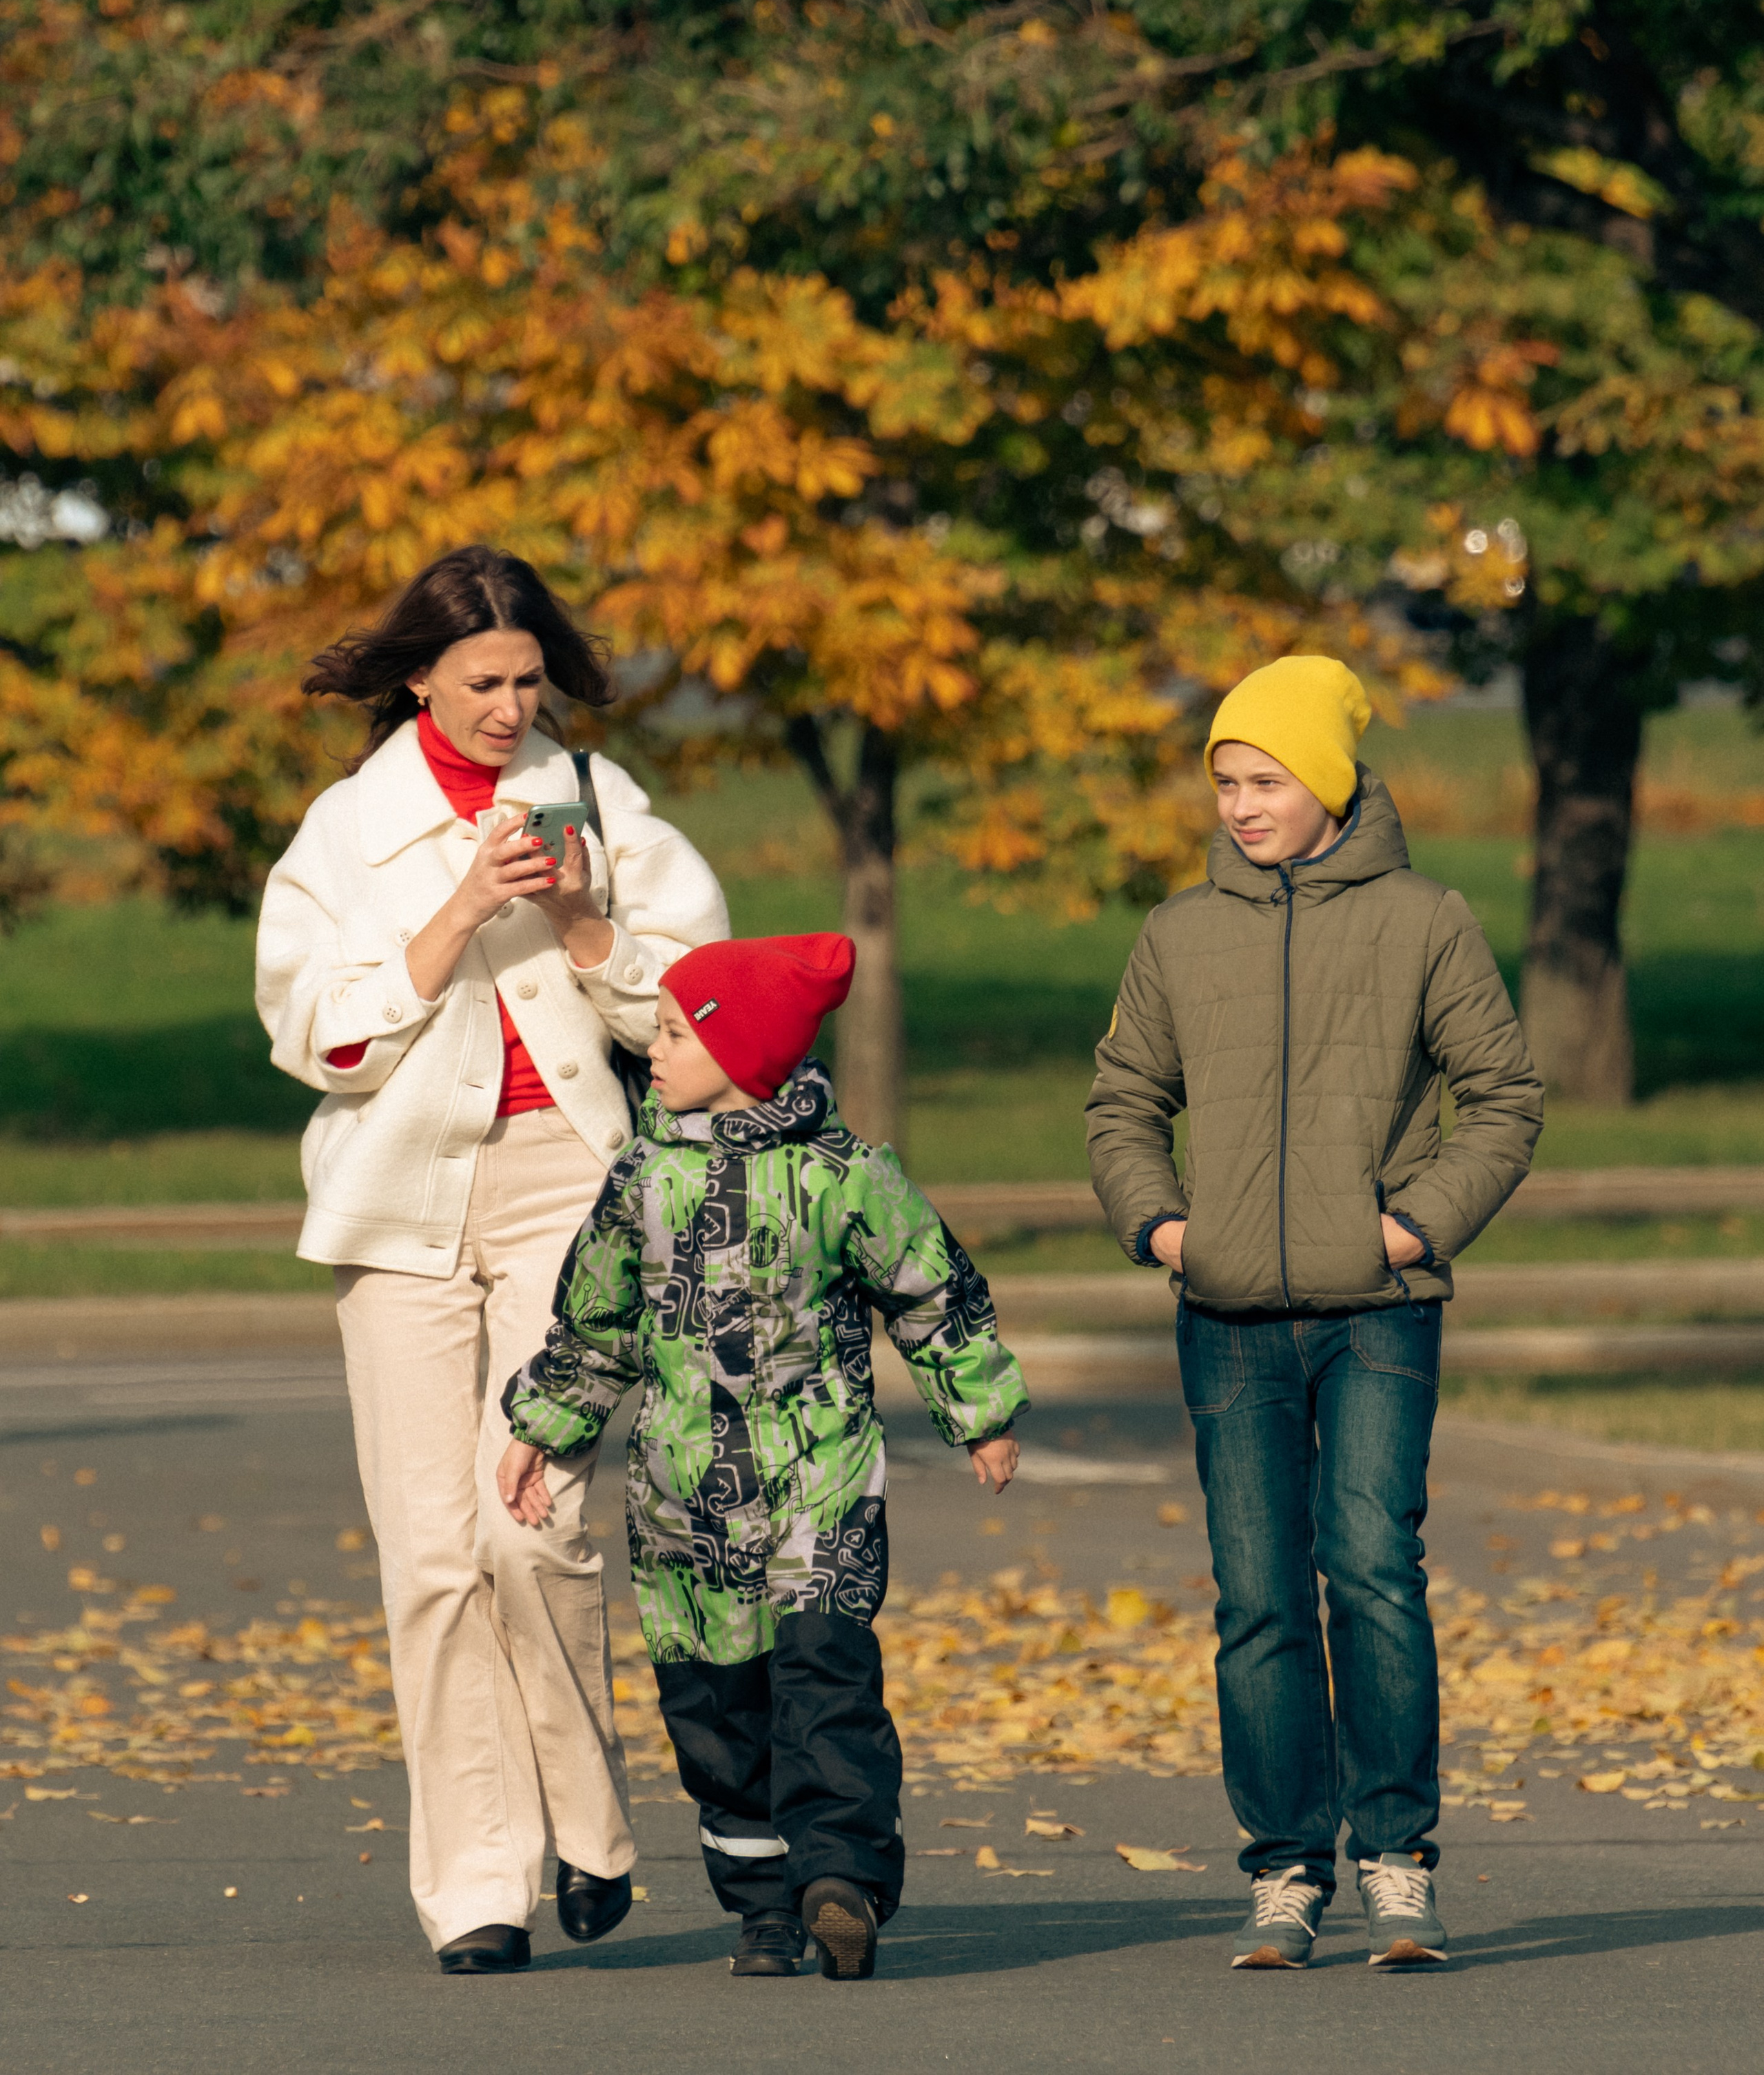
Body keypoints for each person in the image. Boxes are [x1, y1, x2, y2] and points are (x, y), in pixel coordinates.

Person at [255, 544, 729, 1974]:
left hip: (563, 1194)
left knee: (530, 1520)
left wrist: (585, 922)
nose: (511, 705)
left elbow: (693, 1014)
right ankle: (478, 1883)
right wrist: (458, 907)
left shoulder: (600, 802)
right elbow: (313, 1037)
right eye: (481, 682)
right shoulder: (350, 829)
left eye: (529, 678)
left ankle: (586, 1821)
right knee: (432, 1553)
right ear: (419, 677)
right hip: (396, 1208)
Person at [1086, 656, 1542, 1972]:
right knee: (1259, 1595)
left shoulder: (1425, 921)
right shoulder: (1179, 933)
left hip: (1382, 1308)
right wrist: (1170, 1229)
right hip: (1226, 1317)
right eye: (1225, 781)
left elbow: (1502, 1098)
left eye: (1266, 778)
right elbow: (1122, 1103)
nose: (1240, 804)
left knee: (1372, 1567)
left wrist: (1410, 1226)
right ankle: (1286, 1867)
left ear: (1328, 783)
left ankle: (1395, 1857)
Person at [495, 932, 1028, 1981]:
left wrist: (982, 1410)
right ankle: (763, 1910)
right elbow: (596, 1325)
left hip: (819, 1486)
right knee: (719, 1721)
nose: (654, 1044)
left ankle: (840, 1882)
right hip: (683, 1510)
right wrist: (542, 1428)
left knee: (827, 1685)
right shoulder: (641, 1180)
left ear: (751, 1055)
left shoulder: (847, 1176)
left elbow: (932, 1292)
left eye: (678, 1029)